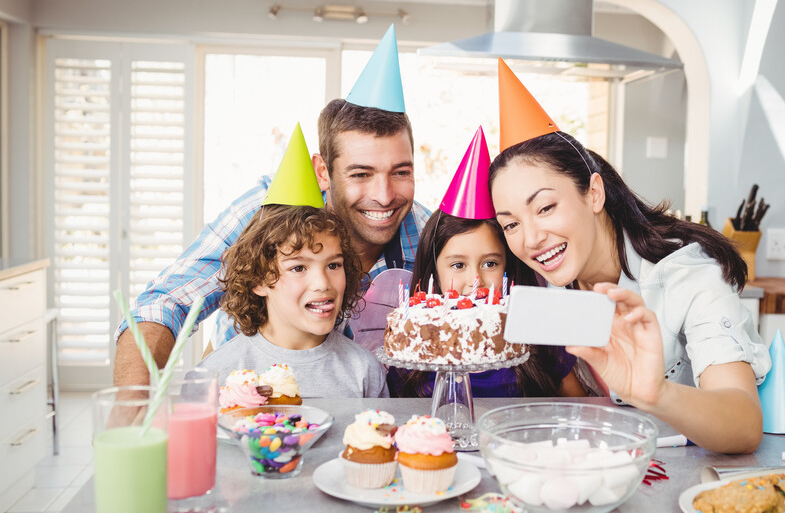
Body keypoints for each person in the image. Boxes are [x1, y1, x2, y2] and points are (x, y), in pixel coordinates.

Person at [114, 25, 429, 386]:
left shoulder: (429, 234)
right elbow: (167, 300)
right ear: (323, 172)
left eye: (400, 172)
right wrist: (132, 400)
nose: (385, 195)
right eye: (361, 174)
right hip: (248, 398)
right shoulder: (269, 212)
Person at [487, 60, 770, 453]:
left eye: (546, 207)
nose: (531, 238)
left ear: (594, 193)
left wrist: (657, 394)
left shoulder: (688, 276)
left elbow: (743, 424)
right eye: (511, 224)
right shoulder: (541, 289)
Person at [387, 129, 585, 398]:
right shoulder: (412, 360)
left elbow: (580, 409)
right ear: (434, 270)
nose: (476, 280)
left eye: (490, 263)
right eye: (458, 265)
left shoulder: (541, 343)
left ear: (509, 266)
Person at [201, 203, 387, 397]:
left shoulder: (366, 372)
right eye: (298, 268)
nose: (322, 283)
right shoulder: (218, 372)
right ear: (259, 280)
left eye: (333, 265)